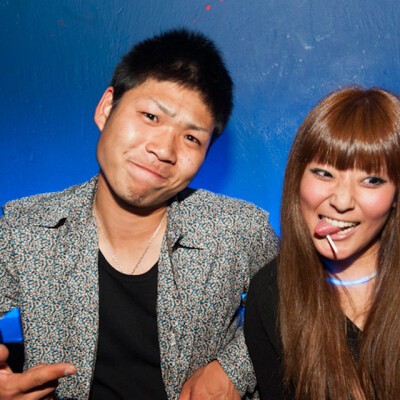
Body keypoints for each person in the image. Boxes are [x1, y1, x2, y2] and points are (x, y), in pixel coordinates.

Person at [0, 28, 278, 399]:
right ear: (106, 108)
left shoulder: (237, 229)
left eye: (191, 138)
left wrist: (233, 370)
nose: (164, 149)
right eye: (150, 116)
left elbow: (303, 304)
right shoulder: (27, 227)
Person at [245, 87, 400, 399]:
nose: (341, 201)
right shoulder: (271, 294)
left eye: (372, 180)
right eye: (324, 173)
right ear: (297, 178)